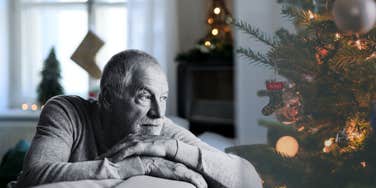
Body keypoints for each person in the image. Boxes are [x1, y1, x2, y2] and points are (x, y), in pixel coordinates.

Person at [16, 50, 262, 188]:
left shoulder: (161, 131)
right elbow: (33, 175)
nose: (158, 112)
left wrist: (171, 148)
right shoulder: (66, 110)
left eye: (163, 98)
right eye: (145, 97)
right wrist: (138, 166)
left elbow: (250, 180)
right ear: (108, 99)